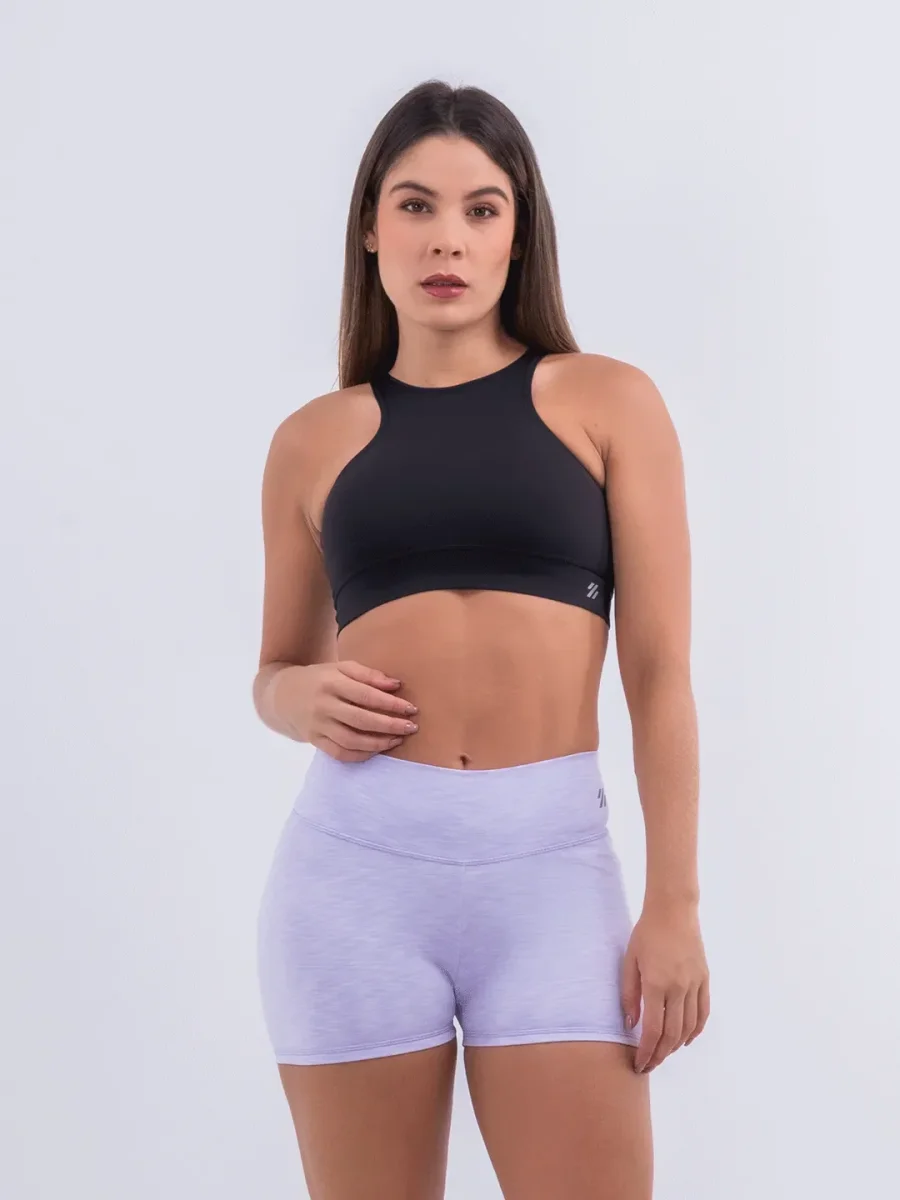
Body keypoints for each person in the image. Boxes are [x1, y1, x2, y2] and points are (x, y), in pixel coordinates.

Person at [252, 78, 709, 1200]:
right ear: (370, 229)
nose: (446, 239)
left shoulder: (606, 401)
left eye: (480, 208)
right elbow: (274, 670)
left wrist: (676, 904)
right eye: (414, 205)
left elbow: (659, 677)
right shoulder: (313, 439)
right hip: (354, 878)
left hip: (551, 876)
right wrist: (294, 699)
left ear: (519, 232)